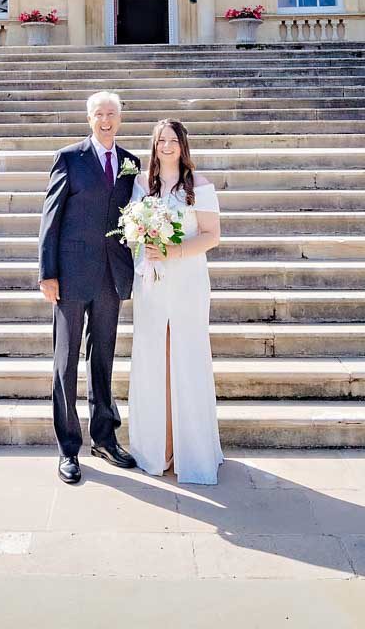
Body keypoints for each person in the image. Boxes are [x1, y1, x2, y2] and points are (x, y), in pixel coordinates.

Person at [37, 90, 140, 484]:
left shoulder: (131, 162)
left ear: (120, 117)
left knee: (104, 360)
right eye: (99, 114)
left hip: (111, 277)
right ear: (90, 118)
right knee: (65, 362)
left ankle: (104, 437)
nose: (106, 120)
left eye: (112, 113)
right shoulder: (69, 158)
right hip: (70, 275)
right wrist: (48, 273)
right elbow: (51, 218)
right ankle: (68, 448)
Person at [125, 117, 223, 484]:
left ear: (183, 145)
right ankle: (157, 447)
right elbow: (132, 233)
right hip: (151, 284)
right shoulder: (139, 185)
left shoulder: (199, 186)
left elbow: (212, 236)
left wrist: (174, 251)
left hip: (186, 280)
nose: (166, 146)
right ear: (153, 146)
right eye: (160, 140)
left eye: (172, 140)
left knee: (185, 355)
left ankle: (190, 450)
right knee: (153, 358)